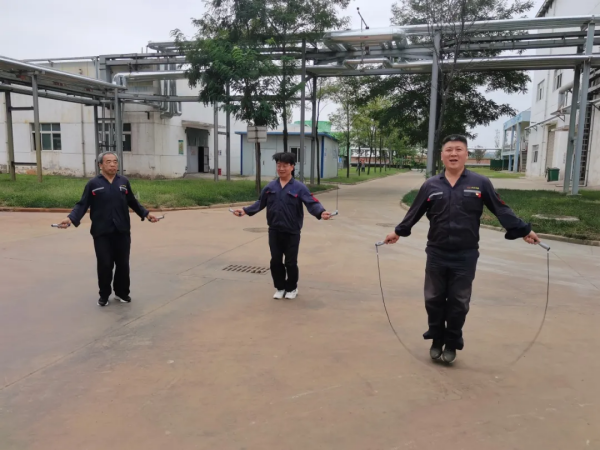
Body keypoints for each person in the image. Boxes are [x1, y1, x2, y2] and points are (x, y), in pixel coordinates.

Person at [384, 135, 540, 364]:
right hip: (436, 253)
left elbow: (501, 209)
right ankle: (436, 339)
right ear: (442, 155)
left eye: (458, 149)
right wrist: (398, 231)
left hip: (465, 255)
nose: (453, 154)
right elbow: (414, 211)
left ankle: (452, 343)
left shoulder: (480, 183)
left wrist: (524, 230)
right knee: (434, 299)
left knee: (459, 302)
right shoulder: (431, 185)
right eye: (449, 150)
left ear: (467, 154)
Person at [56, 151, 159, 307]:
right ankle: (104, 294)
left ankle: (122, 292)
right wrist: (70, 218)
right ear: (100, 165)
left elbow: (132, 201)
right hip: (101, 232)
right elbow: (82, 204)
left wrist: (146, 214)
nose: (112, 165)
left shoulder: (123, 182)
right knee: (105, 264)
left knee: (123, 264)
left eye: (115, 162)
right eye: (108, 162)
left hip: (122, 230)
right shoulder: (93, 184)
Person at [232, 152, 332, 299]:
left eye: (285, 165)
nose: (281, 168)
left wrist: (321, 212)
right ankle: (280, 288)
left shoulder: (299, 187)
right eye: (279, 165)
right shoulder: (270, 187)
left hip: (292, 231)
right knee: (275, 261)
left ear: (292, 167)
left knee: (290, 262)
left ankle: (291, 288)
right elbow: (260, 203)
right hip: (274, 230)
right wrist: (245, 211)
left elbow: (312, 202)